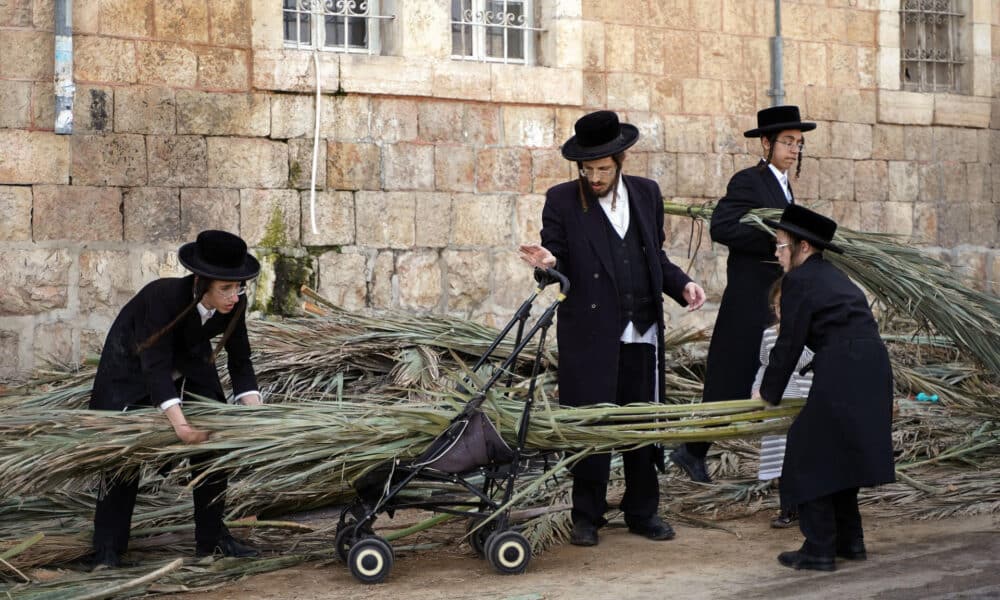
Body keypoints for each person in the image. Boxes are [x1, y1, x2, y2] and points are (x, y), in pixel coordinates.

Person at [519, 110, 706, 547]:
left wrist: (684, 284)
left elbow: (654, 257)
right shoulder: (562, 200)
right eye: (587, 169)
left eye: (602, 168)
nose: (595, 177)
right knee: (593, 424)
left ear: (620, 161)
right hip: (590, 335)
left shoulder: (646, 193)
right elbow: (557, 260)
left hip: (641, 331)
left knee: (643, 424)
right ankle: (587, 515)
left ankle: (643, 511)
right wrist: (549, 265)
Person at [90, 230, 264, 568]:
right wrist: (181, 426)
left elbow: (241, 361)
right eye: (225, 288)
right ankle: (107, 549)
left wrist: (256, 416)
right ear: (201, 282)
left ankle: (212, 540)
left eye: (239, 286)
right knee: (124, 452)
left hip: (190, 363)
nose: (234, 296)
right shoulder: (162, 297)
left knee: (214, 443)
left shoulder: (235, 304)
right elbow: (154, 368)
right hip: (130, 368)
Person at [671, 105, 816, 484]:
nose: (794, 149)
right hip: (749, 298)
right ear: (766, 143)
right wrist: (777, 238)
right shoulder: (749, 181)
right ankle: (692, 450)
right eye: (787, 141)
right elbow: (723, 227)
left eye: (799, 143)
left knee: (778, 371)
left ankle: (785, 462)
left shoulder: (785, 186)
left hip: (775, 298)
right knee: (729, 378)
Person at [754, 205, 895, 572]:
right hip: (869, 366)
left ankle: (818, 548)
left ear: (803, 247)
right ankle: (850, 542)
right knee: (840, 452)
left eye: (781, 246)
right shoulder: (831, 276)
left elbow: (788, 343)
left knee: (807, 449)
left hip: (846, 366)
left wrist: (768, 393)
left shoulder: (801, 280)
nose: (776, 253)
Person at [750, 278, 813, 529]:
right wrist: (757, 390)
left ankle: (809, 505)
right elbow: (766, 367)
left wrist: (794, 336)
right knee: (781, 456)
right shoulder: (768, 335)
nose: (782, 311)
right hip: (778, 402)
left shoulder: (812, 333)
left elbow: (804, 361)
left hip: (804, 401)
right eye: (777, 306)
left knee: (804, 455)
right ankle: (788, 507)